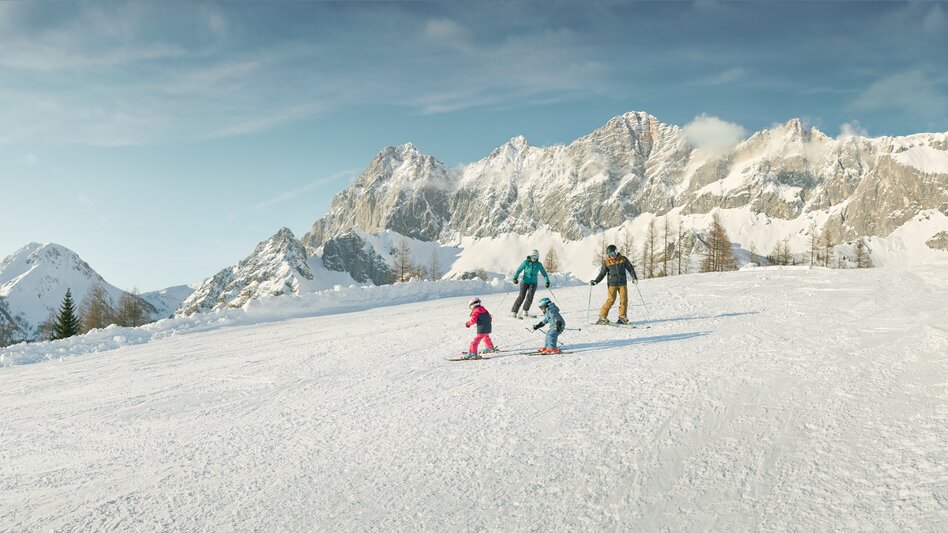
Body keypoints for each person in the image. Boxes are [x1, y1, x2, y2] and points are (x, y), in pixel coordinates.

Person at [590, 244, 638, 325]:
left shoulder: (623, 259)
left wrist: (634, 277)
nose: (612, 256)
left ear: (616, 252)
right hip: (612, 284)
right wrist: (595, 281)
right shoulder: (606, 262)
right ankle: (602, 316)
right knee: (611, 300)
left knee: (624, 300)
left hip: (622, 283)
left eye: (613, 254)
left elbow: (630, 268)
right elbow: (602, 274)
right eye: (609, 255)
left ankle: (622, 317)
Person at [511, 249, 550, 318]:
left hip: (533, 283)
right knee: (521, 296)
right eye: (533, 256)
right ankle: (514, 311)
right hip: (524, 282)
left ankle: (525, 310)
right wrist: (515, 278)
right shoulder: (525, 262)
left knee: (530, 296)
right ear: (530, 256)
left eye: (536, 257)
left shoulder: (539, 264)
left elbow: (544, 273)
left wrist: (547, 281)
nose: (534, 258)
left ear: (538, 257)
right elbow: (519, 270)